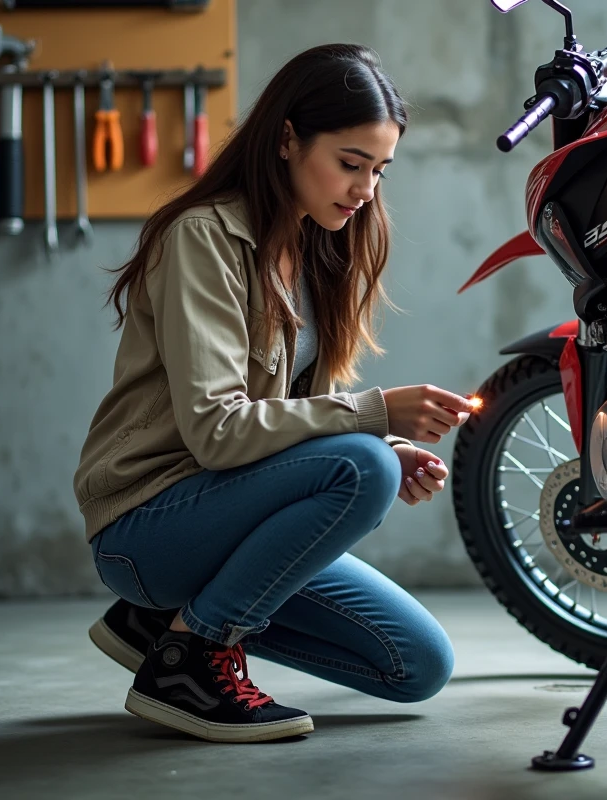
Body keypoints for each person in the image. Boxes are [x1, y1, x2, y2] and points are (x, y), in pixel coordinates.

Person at [72, 43, 476, 744]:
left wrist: (384, 442)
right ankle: (191, 656)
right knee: (363, 464)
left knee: (417, 665)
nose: (365, 190)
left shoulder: (323, 245)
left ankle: (160, 625)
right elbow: (216, 432)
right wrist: (372, 427)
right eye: (350, 164)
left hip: (229, 518)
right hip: (147, 525)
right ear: (287, 139)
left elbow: (291, 422)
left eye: (379, 170)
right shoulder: (201, 238)